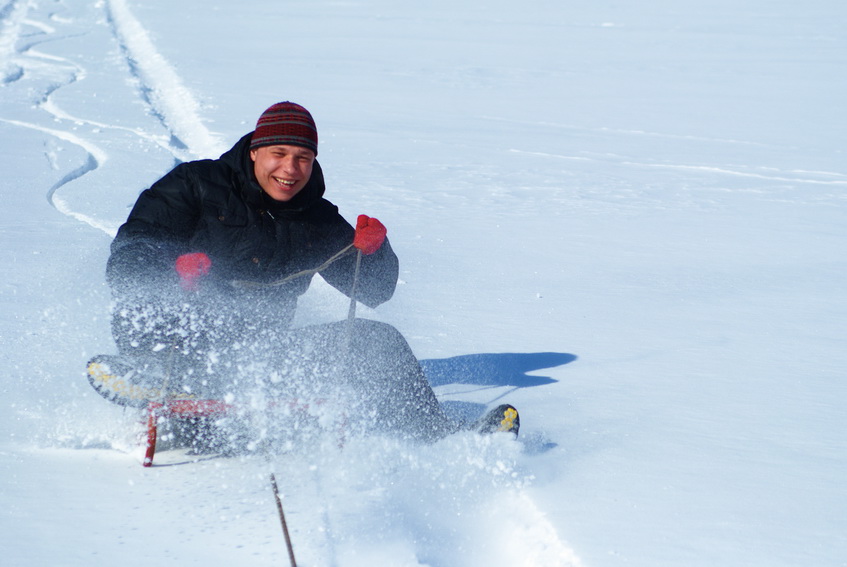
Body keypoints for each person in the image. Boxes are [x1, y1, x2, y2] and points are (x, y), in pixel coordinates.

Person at [95, 102, 518, 444]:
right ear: (255, 151)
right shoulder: (195, 184)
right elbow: (131, 253)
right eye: (279, 154)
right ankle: (150, 379)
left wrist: (373, 251)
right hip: (182, 341)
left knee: (381, 342)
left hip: (260, 354)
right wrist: (171, 269)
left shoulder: (316, 218)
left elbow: (375, 289)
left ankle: (439, 436)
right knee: (146, 301)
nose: (291, 169)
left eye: (303, 158)